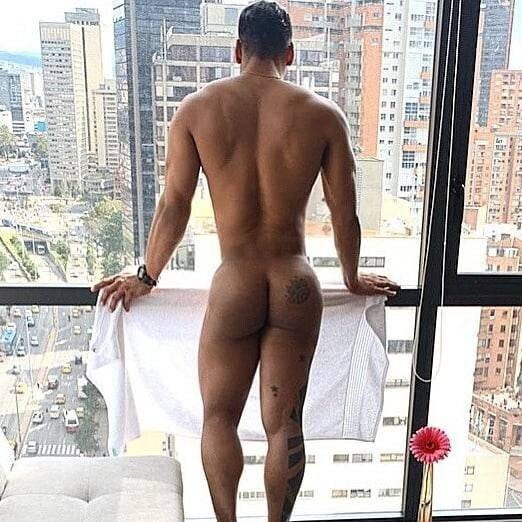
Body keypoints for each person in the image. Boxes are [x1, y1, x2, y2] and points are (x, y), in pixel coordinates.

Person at [92, 2, 399, 520]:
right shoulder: (324, 115)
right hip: (295, 282)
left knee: (218, 418)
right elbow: (345, 213)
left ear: (238, 49)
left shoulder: (196, 110)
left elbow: (174, 205)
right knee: (285, 425)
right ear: (290, 54)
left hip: (235, 281)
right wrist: (351, 276)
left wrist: (147, 275)